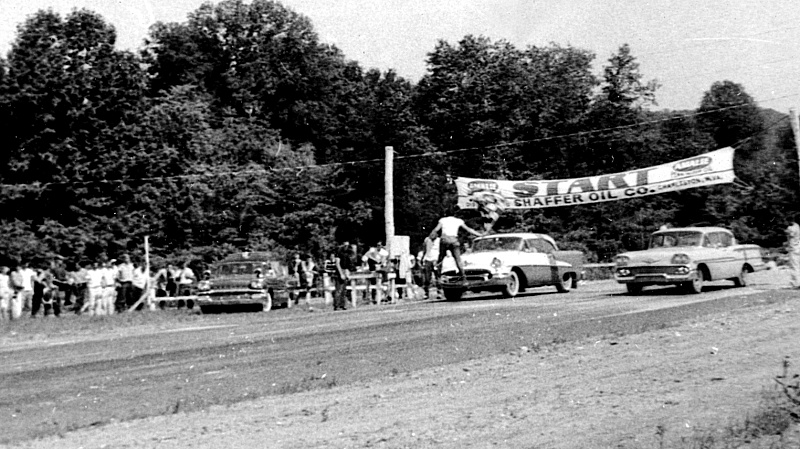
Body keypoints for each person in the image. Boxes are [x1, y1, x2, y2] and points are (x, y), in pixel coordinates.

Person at [430, 210, 483, 281]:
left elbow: (436, 229)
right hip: (454, 240)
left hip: (445, 239)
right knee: (458, 259)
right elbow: (468, 229)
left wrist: (430, 236)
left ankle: (438, 277)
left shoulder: (443, 220)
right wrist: (479, 234)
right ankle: (463, 277)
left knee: (441, 258)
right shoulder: (458, 221)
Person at [334, 241, 357, 311]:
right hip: (339, 271)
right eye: (345, 246)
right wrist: (341, 273)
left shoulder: (347, 254)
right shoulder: (338, 253)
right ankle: (337, 305)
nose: (346, 247)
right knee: (339, 289)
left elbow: (347, 265)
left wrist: (347, 273)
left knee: (344, 290)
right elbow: (337, 264)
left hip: (345, 270)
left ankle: (342, 305)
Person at [420, 234, 441, 299]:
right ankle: (426, 293)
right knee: (427, 277)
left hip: (436, 259)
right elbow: (424, 249)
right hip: (427, 259)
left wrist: (440, 260)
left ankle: (439, 292)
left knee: (438, 276)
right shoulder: (427, 240)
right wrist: (423, 258)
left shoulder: (439, 240)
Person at [786, 221, 800, 288]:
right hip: (798, 247)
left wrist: (786, 231)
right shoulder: (797, 226)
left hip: (793, 249)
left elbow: (791, 234)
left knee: (794, 266)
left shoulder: (791, 228)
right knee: (797, 265)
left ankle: (796, 283)